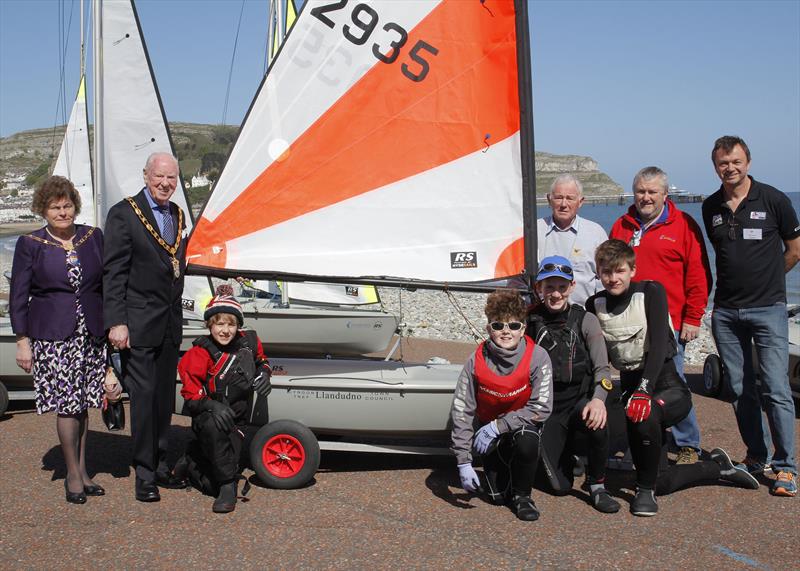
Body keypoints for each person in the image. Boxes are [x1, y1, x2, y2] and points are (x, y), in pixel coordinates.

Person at [586, 239, 760, 516]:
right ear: (598, 272)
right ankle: (718, 466)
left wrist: (645, 389)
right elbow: (596, 356)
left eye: (619, 271)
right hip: (633, 390)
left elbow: (657, 347)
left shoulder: (651, 292)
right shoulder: (595, 304)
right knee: (661, 480)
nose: (613, 278)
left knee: (644, 414)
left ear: (632, 270)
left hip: (667, 387)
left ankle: (644, 493)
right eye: (606, 272)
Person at [702, 135, 800, 497]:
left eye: (736, 161)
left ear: (748, 162)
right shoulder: (711, 205)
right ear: (715, 166)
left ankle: (786, 467)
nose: (730, 168)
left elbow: (794, 250)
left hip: (769, 309)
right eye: (723, 163)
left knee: (775, 387)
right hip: (726, 312)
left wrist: (770, 282)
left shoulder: (774, 199)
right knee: (741, 389)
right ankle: (757, 457)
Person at [10, 175, 107, 504]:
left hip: (90, 334)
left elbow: (104, 286)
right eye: (55, 207)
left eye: (67, 206)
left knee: (82, 406)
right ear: (44, 210)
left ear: (75, 206)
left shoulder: (93, 237)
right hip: (53, 337)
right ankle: (73, 476)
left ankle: (83, 469)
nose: (62, 212)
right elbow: (19, 295)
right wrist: (22, 339)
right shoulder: (31, 244)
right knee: (67, 405)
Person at [610, 166, 711, 464]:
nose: (646, 197)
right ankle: (641, 440)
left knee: (673, 383)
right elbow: (610, 273)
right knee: (633, 383)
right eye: (641, 191)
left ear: (665, 195)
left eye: (652, 192)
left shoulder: (683, 225)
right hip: (629, 325)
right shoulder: (622, 226)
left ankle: (688, 444)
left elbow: (699, 275)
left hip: (670, 324)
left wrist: (693, 318)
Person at [103, 152, 188, 502]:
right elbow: (114, 272)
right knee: (143, 397)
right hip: (136, 323)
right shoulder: (124, 214)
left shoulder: (178, 215)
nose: (165, 184)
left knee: (164, 398)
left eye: (171, 178)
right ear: (146, 175)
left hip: (169, 322)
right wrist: (117, 322)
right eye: (159, 177)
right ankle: (144, 473)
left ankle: (161, 461)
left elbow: (179, 264)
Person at [450, 290, 552, 521]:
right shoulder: (474, 362)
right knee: (496, 498)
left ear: (523, 329)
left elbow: (542, 408)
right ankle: (502, 474)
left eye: (514, 326)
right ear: (488, 329)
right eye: (498, 325)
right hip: (489, 433)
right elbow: (462, 411)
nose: (506, 331)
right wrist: (463, 461)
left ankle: (523, 496)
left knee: (527, 442)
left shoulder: (539, 356)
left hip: (522, 426)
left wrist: (498, 426)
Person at [528, 256, 619, 513]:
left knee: (599, 420)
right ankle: (568, 454)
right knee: (559, 487)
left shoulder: (586, 320)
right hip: (546, 407)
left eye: (561, 287)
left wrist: (599, 399)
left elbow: (603, 369)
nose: (555, 294)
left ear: (572, 287)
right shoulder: (528, 322)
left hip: (578, 400)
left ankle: (597, 484)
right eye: (549, 287)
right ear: (539, 289)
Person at [177, 285, 272, 513]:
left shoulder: (250, 342)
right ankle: (228, 484)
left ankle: (192, 461)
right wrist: (210, 405)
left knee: (211, 481)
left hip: (237, 422)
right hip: (209, 419)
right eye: (219, 324)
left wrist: (265, 374)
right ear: (210, 325)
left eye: (231, 324)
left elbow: (262, 361)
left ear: (239, 325)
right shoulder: (198, 353)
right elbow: (190, 395)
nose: (225, 330)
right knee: (217, 480)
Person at [537, 174, 608, 307]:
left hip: (584, 316)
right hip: (542, 317)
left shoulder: (596, 233)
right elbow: (520, 279)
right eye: (559, 198)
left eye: (570, 198)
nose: (564, 204)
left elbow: (604, 280)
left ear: (580, 202)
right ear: (549, 199)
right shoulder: (534, 232)